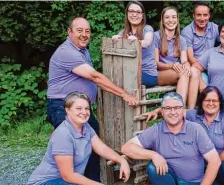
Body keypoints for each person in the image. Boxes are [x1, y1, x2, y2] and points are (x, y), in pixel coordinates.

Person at [46, 17, 138, 182]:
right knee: (72, 151)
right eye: (79, 31)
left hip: (79, 108)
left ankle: (93, 181)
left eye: (87, 31)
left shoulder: (84, 51)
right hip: (63, 107)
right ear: (69, 32)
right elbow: (95, 76)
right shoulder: (67, 52)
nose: (84, 35)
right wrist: (124, 94)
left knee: (92, 148)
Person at [144, 86, 224, 185]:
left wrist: (210, 162)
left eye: (215, 101)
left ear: (220, 103)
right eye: (207, 100)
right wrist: (156, 111)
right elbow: (175, 109)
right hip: (204, 157)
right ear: (201, 102)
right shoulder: (193, 115)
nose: (211, 103)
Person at [28, 92, 130, 185]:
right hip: (46, 182)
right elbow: (68, 176)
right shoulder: (63, 134)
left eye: (87, 108)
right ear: (67, 110)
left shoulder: (86, 127)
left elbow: (101, 148)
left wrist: (122, 160)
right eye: (79, 108)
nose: (84, 112)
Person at [121, 92, 221, 185]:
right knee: (152, 167)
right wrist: (153, 155)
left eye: (177, 108)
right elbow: (126, 148)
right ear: (162, 111)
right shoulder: (156, 130)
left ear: (183, 110)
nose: (173, 112)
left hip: (194, 182)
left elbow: (215, 161)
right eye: (168, 108)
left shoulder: (196, 129)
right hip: (170, 180)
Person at [181, 2, 220, 108]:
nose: (202, 18)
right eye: (199, 15)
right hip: (195, 67)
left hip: (210, 66)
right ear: (193, 16)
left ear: (209, 15)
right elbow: (191, 58)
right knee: (205, 87)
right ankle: (194, 111)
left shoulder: (214, 28)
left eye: (205, 15)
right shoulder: (187, 31)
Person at [112, 1, 159, 88]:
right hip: (129, 73)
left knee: (123, 80)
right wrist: (115, 41)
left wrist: (137, 41)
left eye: (138, 12)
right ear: (127, 14)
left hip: (147, 73)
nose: (134, 14)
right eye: (131, 11)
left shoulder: (147, 29)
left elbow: (147, 42)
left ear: (142, 15)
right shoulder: (122, 33)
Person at [153, 7, 192, 104]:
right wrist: (172, 66)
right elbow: (155, 63)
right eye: (167, 17)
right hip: (157, 73)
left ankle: (190, 110)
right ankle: (179, 107)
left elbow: (184, 60)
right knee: (183, 73)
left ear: (177, 20)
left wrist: (186, 64)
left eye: (174, 17)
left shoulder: (181, 40)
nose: (171, 20)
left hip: (175, 72)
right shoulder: (156, 37)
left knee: (192, 72)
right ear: (162, 21)